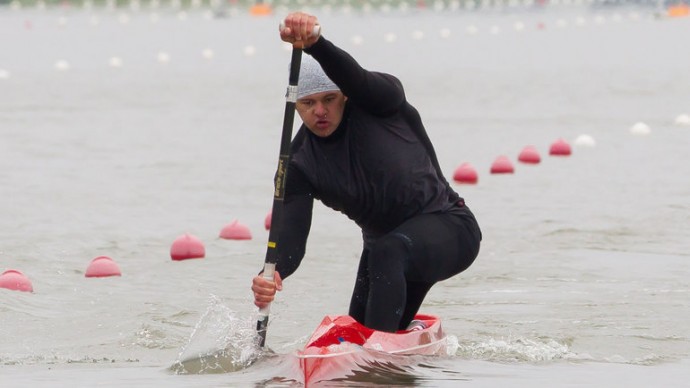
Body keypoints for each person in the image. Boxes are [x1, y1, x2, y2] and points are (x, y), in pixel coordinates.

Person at [251, 12, 482, 333]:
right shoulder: (299, 163)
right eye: (308, 103)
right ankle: (390, 358)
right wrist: (273, 275)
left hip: (451, 229)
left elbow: (356, 77)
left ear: (343, 95)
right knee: (362, 325)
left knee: (389, 253)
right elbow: (291, 239)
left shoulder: (379, 101)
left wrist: (315, 44)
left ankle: (378, 364)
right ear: (295, 106)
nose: (320, 111)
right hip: (386, 252)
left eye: (329, 99)